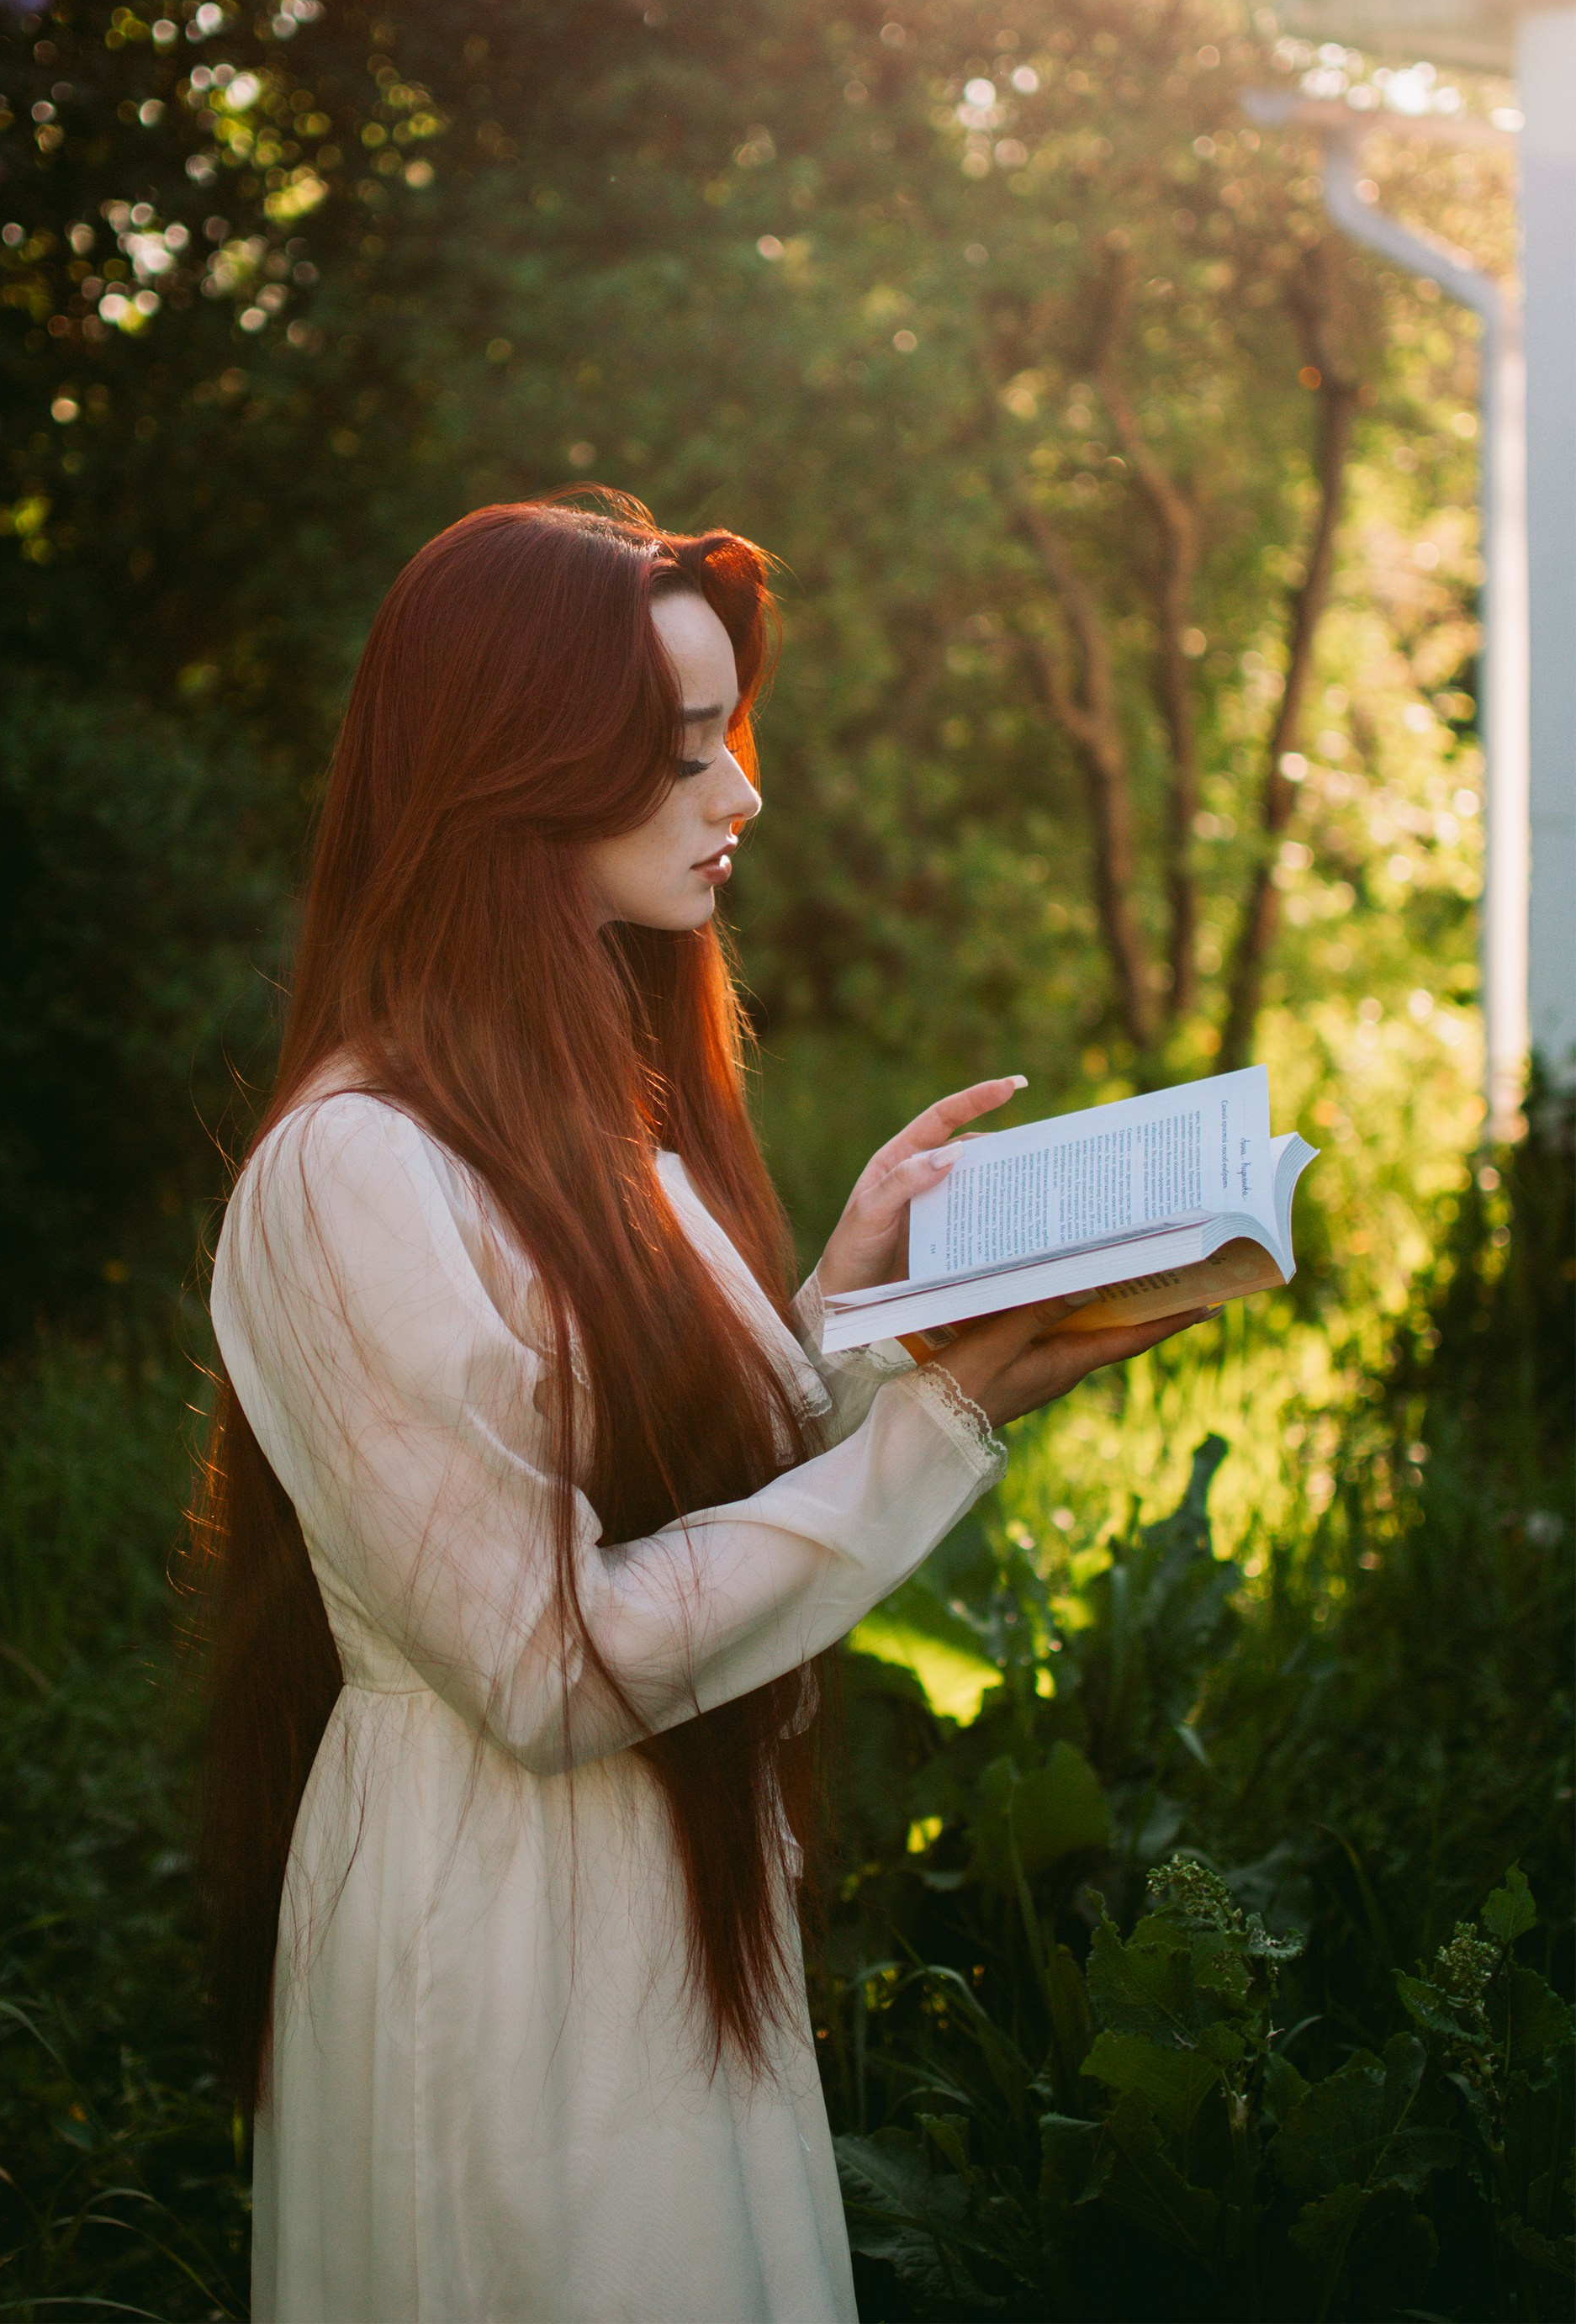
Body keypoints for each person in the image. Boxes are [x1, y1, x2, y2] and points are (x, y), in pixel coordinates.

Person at [196, 495, 1211, 2324]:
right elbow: (548, 1660)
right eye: (678, 753)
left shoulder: (595, 1114)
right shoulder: (354, 1168)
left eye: (726, 740)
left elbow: (644, 1485)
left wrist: (852, 1312)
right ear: (510, 771)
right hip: (501, 1934)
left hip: (664, 1908)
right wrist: (930, 1434)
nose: (737, 795)